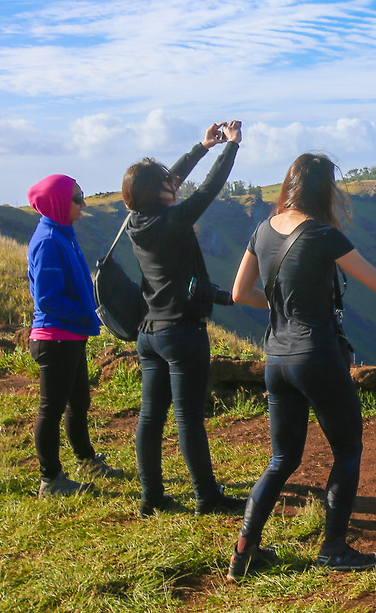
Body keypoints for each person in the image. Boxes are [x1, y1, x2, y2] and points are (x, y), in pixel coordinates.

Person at [226, 152, 376, 581]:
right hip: (317, 356)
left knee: (282, 458)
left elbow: (238, 293)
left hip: (277, 359)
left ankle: (242, 554)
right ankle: (334, 548)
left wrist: (287, 306)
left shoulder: (261, 229)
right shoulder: (322, 234)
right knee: (346, 450)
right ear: (326, 190)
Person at [123, 121, 246, 517]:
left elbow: (167, 182)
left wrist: (201, 146)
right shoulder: (172, 220)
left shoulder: (137, 221)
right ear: (155, 193)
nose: (173, 187)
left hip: (149, 332)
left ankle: (151, 497)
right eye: (165, 185)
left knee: (150, 416)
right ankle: (207, 497)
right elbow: (209, 189)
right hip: (181, 332)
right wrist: (231, 147)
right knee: (189, 418)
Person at [26, 174, 125, 496]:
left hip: (70, 336)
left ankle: (86, 460)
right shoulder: (49, 242)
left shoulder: (62, 235)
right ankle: (50, 480)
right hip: (55, 339)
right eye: (77, 198)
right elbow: (48, 299)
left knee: (78, 402)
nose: (83, 204)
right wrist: (86, 313)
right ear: (57, 203)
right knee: (51, 408)